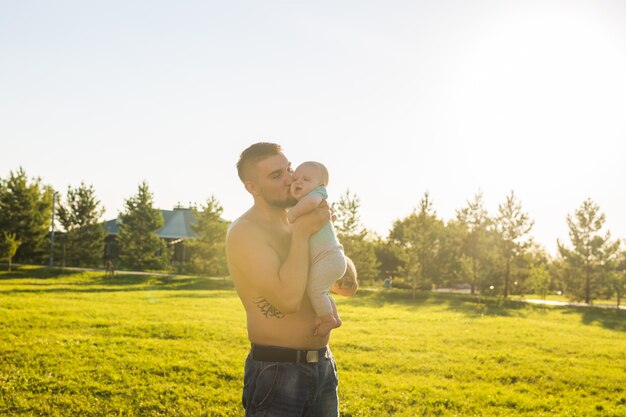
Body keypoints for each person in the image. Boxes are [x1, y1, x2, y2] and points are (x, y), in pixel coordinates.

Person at [225, 142, 358, 417]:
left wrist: (331, 241)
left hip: (323, 367)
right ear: (252, 187)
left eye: (289, 169)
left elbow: (345, 287)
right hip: (277, 373)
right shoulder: (246, 232)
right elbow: (287, 299)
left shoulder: (303, 219)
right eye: (276, 176)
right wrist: (302, 234)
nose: (290, 179)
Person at [287, 161, 346, 337]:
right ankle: (334, 317)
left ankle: (328, 320)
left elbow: (311, 203)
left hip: (328, 257)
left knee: (315, 291)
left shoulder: (316, 195)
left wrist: (293, 214)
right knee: (322, 291)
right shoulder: (305, 202)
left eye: (305, 179)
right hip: (329, 258)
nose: (298, 182)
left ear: (320, 185)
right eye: (295, 178)